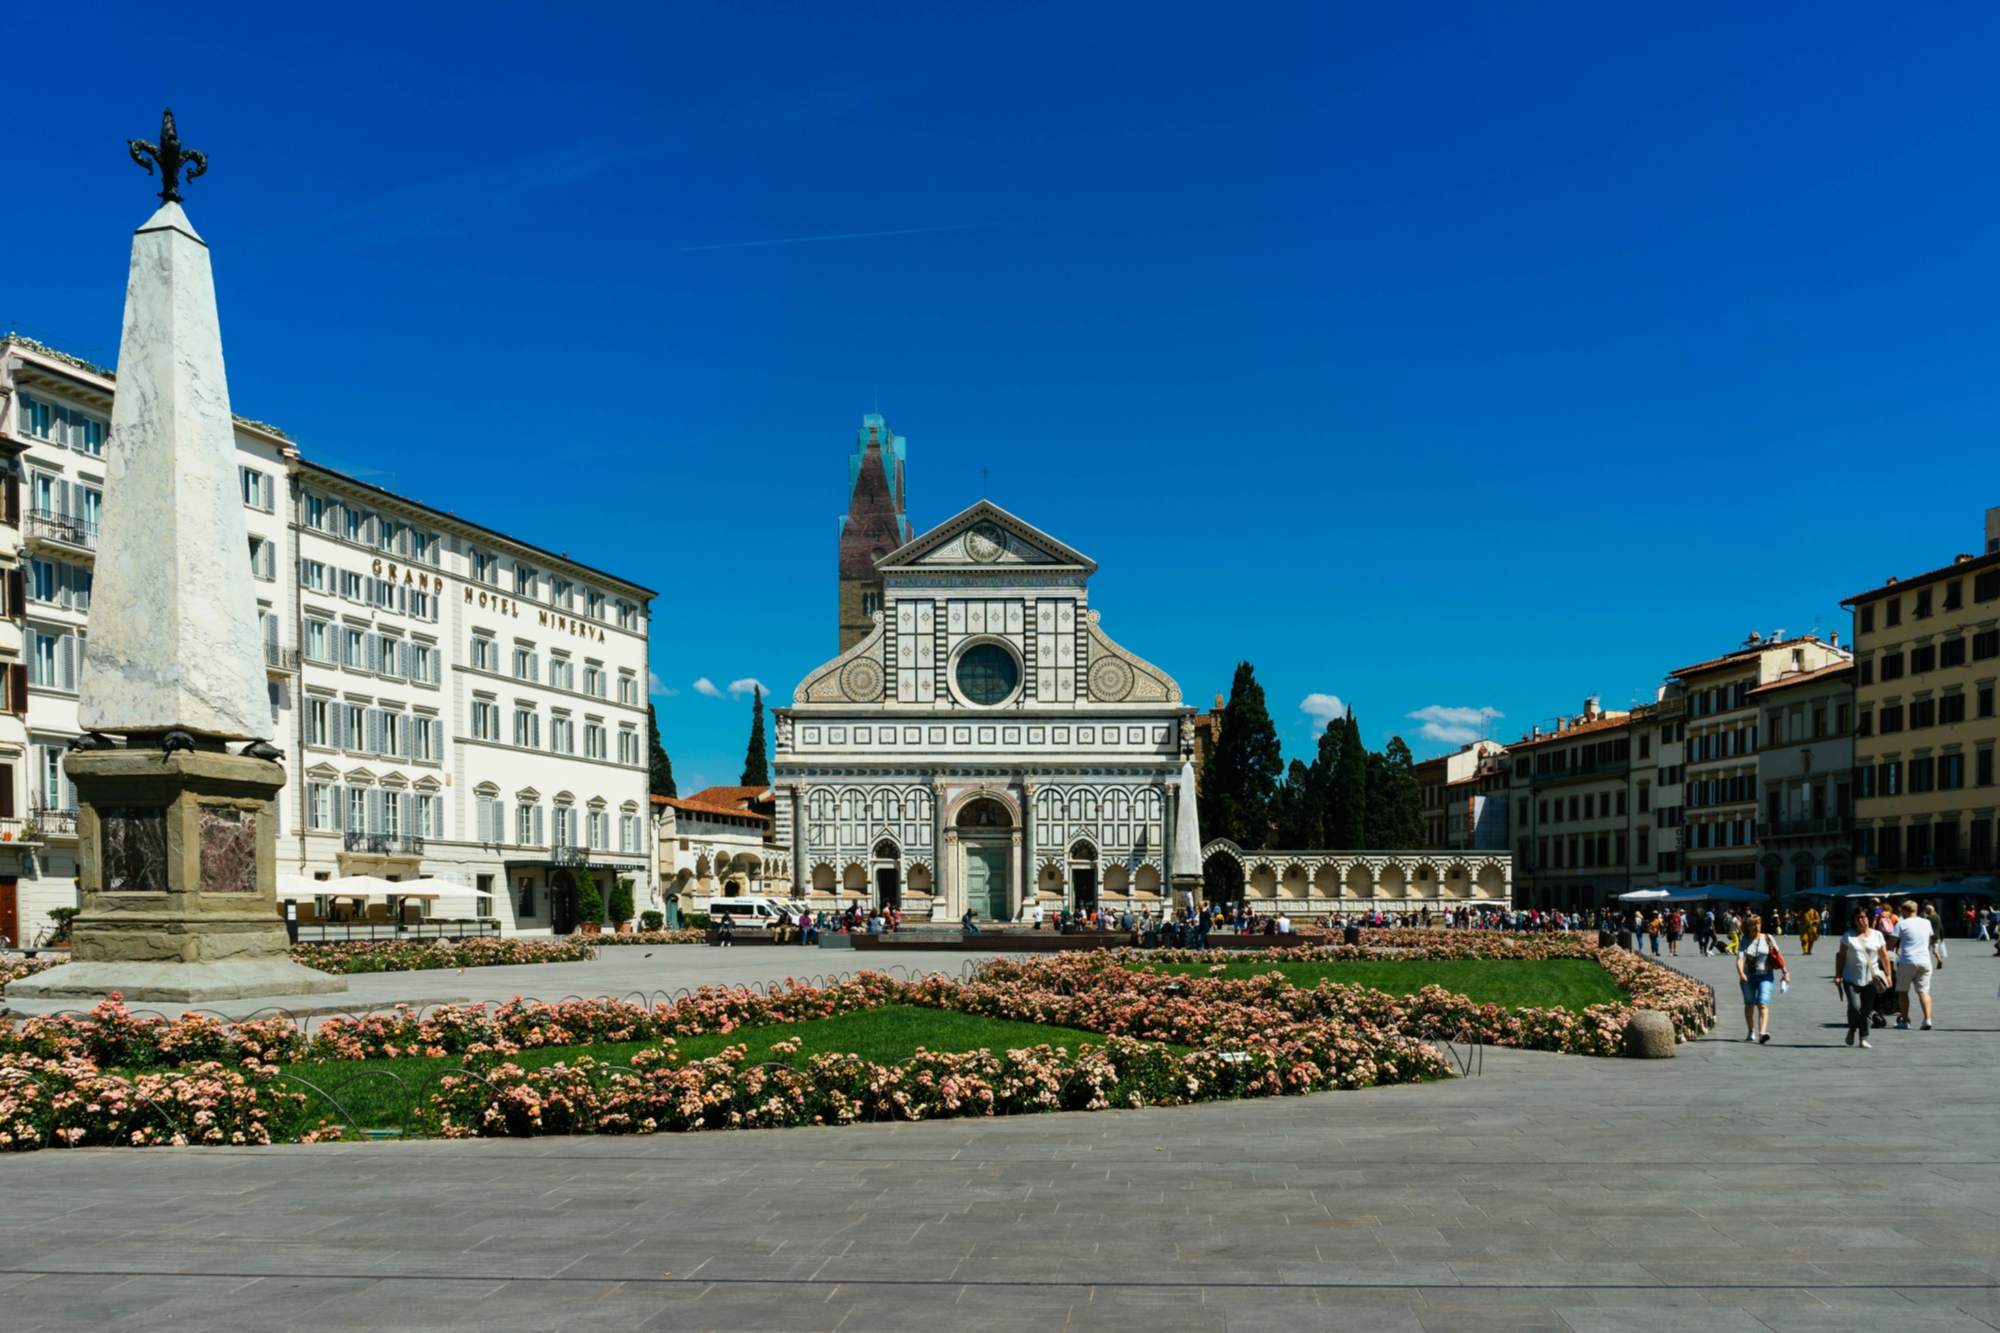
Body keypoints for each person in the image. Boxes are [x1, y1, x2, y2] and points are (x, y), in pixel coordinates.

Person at [1833, 908, 1888, 1048]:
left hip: (1871, 979)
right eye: (1857, 918)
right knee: (1854, 1007)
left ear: (1868, 918)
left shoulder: (1877, 935)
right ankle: (1852, 1029)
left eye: (1863, 917)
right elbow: (1841, 956)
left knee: (1867, 1009)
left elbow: (1884, 956)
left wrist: (1888, 974)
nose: (1860, 920)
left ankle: (1863, 1037)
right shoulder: (1848, 935)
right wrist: (1838, 975)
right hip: (1851, 977)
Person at [1886, 898, 1939, 1030]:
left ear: (1904, 910)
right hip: (1925, 961)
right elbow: (1928, 941)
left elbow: (1891, 943)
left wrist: (1884, 950)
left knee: (1903, 992)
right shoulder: (1926, 922)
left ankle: (1904, 1020)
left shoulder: (1902, 924)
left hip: (1907, 961)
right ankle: (1927, 1019)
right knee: (1923, 991)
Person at [1735, 914, 1789, 1043]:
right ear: (1748, 927)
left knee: (1762, 1003)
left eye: (1758, 923)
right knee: (1749, 1004)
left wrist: (1785, 973)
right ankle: (1751, 1030)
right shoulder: (1744, 941)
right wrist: (1741, 973)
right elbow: (1740, 959)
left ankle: (1762, 1033)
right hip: (1748, 977)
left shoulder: (1768, 938)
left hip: (1766, 976)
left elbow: (1778, 956)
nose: (1756, 926)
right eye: (1753, 924)